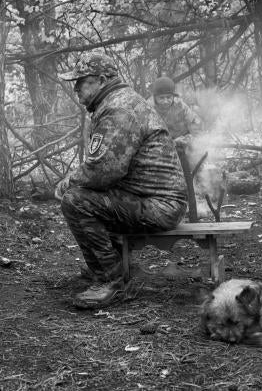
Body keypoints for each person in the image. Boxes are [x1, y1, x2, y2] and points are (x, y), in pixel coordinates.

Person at [56, 52, 187, 308]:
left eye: (81, 81)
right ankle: (113, 266)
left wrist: (69, 181)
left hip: (159, 205)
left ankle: (111, 280)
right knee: (89, 197)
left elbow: (104, 171)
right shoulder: (115, 103)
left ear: (102, 80)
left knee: (76, 200)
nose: (76, 88)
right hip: (149, 198)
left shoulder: (119, 109)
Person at [148, 76, 203, 150]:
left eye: (168, 97)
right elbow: (147, 138)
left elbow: (195, 124)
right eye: (161, 98)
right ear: (155, 98)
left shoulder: (180, 105)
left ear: (173, 96)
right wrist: (172, 143)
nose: (165, 101)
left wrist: (189, 138)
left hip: (183, 143)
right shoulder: (148, 109)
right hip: (160, 148)